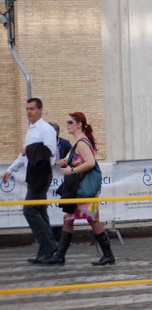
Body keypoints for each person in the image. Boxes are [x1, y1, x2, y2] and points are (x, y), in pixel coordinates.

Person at [44, 112, 116, 266]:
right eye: (67, 122)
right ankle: (60, 255)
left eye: (70, 122)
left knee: (92, 220)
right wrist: (64, 161)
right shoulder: (79, 142)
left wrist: (71, 170)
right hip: (77, 190)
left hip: (82, 189)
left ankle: (108, 255)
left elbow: (89, 162)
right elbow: (77, 159)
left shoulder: (82, 142)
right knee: (69, 219)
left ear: (79, 124)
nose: (67, 125)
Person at [2, 98, 57, 264]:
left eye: (32, 109)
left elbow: (50, 151)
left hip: (41, 173)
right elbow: (23, 154)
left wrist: (29, 149)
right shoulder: (31, 129)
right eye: (27, 109)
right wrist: (10, 170)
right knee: (40, 212)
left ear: (40, 110)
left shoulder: (46, 129)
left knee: (29, 211)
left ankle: (50, 247)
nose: (29, 112)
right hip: (33, 173)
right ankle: (45, 252)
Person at [49, 122, 73, 241]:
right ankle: (52, 237)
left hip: (63, 180)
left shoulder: (65, 143)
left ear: (57, 133)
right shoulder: (44, 145)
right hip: (48, 181)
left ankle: (61, 238)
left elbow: (72, 157)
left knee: (61, 208)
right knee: (50, 209)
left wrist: (65, 161)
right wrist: (54, 163)